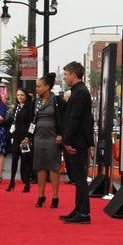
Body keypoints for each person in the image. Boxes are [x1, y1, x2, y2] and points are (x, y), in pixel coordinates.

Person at [59, 62, 95, 224]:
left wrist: (67, 141)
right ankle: (79, 209)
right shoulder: (78, 91)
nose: (64, 77)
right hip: (77, 141)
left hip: (77, 142)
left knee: (80, 179)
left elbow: (75, 119)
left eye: (66, 74)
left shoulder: (80, 92)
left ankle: (84, 213)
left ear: (74, 75)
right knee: (77, 178)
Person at [29, 73, 63, 209]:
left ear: (47, 87)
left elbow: (62, 118)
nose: (37, 89)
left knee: (54, 167)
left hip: (53, 137)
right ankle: (41, 196)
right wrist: (28, 136)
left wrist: (60, 134)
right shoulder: (36, 102)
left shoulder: (57, 100)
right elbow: (33, 120)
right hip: (38, 137)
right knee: (40, 167)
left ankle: (55, 197)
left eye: (39, 86)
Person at [5, 88, 34, 192]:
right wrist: (12, 133)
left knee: (25, 160)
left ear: (26, 96)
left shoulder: (30, 106)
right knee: (14, 159)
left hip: (25, 138)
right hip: (16, 137)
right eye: (18, 95)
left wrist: (28, 137)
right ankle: (11, 182)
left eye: (22, 95)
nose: (20, 97)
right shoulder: (17, 107)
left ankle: (27, 184)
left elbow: (32, 123)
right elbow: (13, 122)